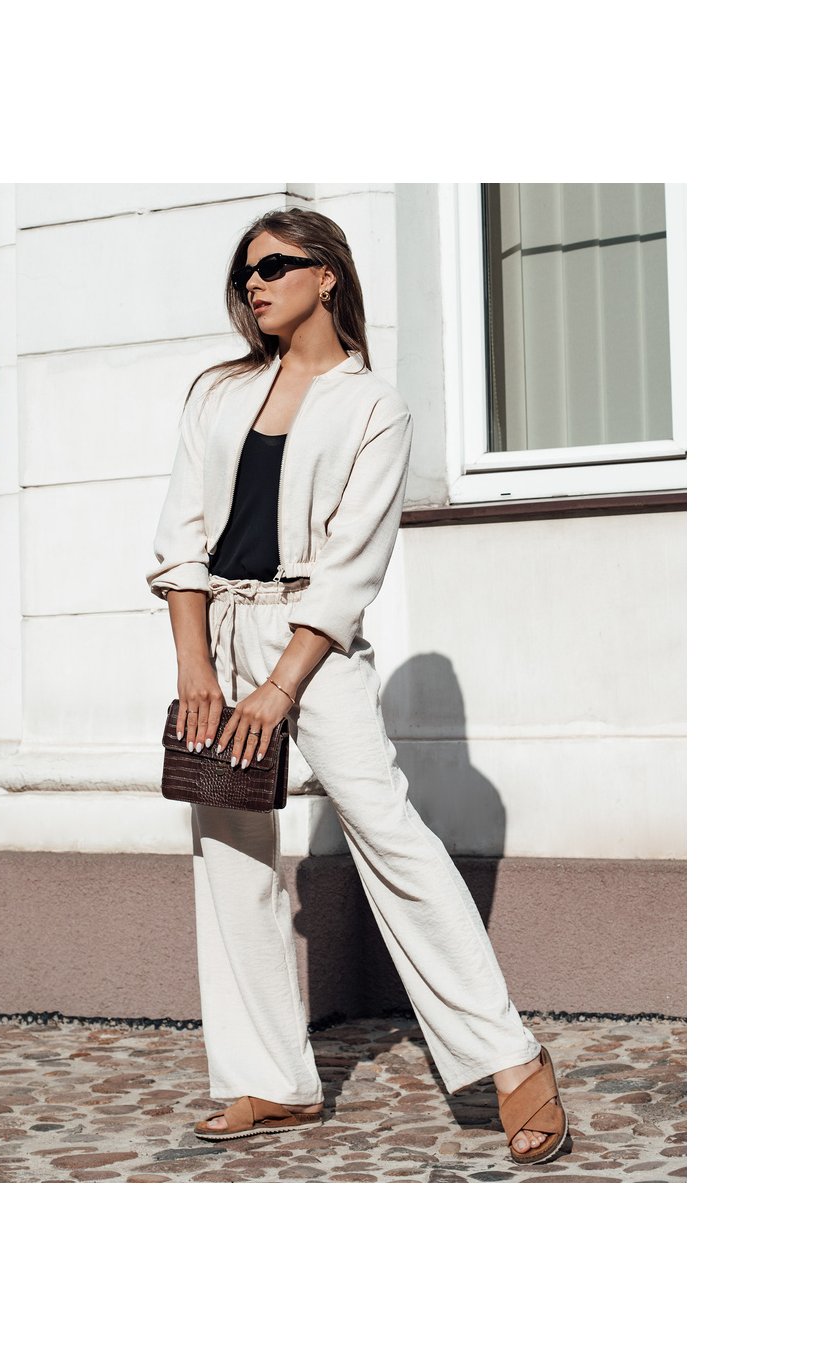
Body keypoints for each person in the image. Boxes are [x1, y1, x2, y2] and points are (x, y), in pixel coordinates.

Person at [146, 207, 569, 1165]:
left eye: (273, 266)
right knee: (230, 849)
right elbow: (181, 538)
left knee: (386, 830)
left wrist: (279, 687)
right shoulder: (218, 392)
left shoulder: (374, 405)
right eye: (246, 273)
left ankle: (510, 1058)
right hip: (221, 634)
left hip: (315, 643)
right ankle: (271, 1079)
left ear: (326, 273)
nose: (255, 284)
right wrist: (196, 666)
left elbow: (352, 567)